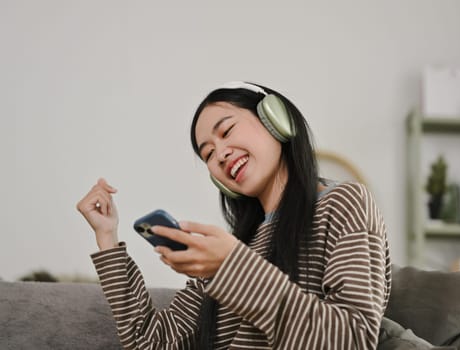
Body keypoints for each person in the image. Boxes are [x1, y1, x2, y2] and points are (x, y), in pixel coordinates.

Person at [76, 81, 391, 349]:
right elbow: (151, 342)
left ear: (274, 119)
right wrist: (106, 234)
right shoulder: (230, 248)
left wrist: (232, 268)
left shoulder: (342, 202)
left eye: (226, 131)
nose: (221, 154)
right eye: (208, 154)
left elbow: (353, 339)